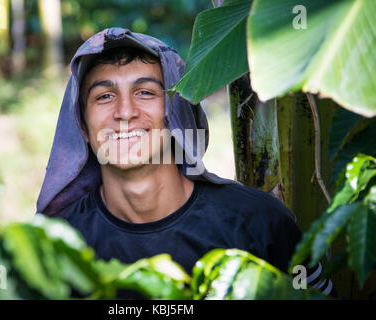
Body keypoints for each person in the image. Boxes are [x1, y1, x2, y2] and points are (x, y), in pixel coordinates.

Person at [36, 27, 333, 297]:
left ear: (177, 116)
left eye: (145, 92)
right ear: (82, 126)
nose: (125, 112)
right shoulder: (56, 247)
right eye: (104, 96)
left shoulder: (259, 224)